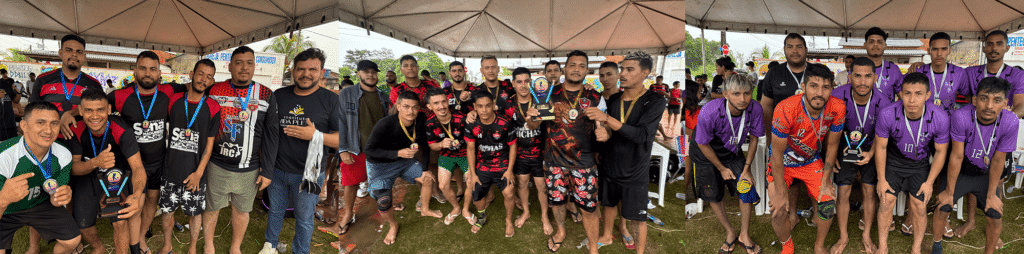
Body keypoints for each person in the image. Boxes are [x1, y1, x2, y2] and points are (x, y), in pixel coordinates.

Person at [258, 48, 340, 254]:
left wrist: (316, 136)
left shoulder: (331, 100)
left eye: (313, 69)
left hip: (310, 172)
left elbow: (342, 140)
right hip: (277, 169)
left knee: (304, 218)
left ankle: (300, 251)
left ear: (322, 72)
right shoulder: (279, 95)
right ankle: (270, 246)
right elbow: (269, 131)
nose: (306, 74)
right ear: (293, 72)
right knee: (275, 210)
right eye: (301, 69)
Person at [202, 46, 280, 254]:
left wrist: (267, 170)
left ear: (255, 66)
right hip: (216, 164)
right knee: (211, 208)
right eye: (238, 63)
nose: (244, 68)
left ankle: (235, 248)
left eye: (249, 63)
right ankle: (209, 245)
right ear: (229, 67)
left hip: (249, 168)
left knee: (242, 210)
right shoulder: (215, 90)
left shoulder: (266, 94)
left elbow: (272, 135)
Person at [589, 52, 666, 254]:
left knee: (638, 217)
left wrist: (606, 119)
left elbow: (641, 135)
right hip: (610, 164)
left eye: (629, 69)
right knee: (608, 204)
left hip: (635, 170)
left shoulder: (655, 100)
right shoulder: (614, 99)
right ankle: (606, 236)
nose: (622, 74)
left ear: (645, 73)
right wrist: (604, 134)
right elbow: (611, 131)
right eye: (622, 69)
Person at [931, 77, 1017, 254]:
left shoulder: (1010, 121)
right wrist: (949, 192)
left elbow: (998, 160)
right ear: (975, 100)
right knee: (943, 207)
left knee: (995, 214)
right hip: (962, 169)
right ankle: (936, 245)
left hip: (985, 173)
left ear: (1006, 103)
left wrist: (992, 194)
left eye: (997, 100)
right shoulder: (961, 116)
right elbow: (956, 155)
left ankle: (989, 252)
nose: (989, 106)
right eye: (984, 98)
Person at [766, 64, 843, 254]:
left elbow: (832, 145)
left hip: (810, 161)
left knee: (827, 204)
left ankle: (819, 246)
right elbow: (776, 154)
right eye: (814, 86)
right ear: (803, 86)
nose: (820, 93)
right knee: (778, 209)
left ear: (832, 88)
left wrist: (826, 181)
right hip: (782, 164)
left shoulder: (838, 107)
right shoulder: (786, 108)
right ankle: (787, 245)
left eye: (826, 87)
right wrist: (781, 191)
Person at [873, 73, 949, 254]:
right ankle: (883, 246)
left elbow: (940, 152)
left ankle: (916, 248)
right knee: (885, 201)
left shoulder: (940, 117)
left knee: (920, 207)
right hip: (894, 162)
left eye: (918, 94)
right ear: (900, 94)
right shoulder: (887, 113)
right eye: (907, 93)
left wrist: (929, 182)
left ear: (928, 95)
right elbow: (881, 148)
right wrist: (881, 179)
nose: (912, 100)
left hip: (919, 164)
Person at [107, 51, 175, 254]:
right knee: (135, 205)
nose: (148, 73)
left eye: (152, 69)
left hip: (157, 162)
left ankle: (142, 239)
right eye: (143, 68)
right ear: (135, 70)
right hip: (130, 165)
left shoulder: (168, 91)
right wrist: (69, 114)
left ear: (159, 73)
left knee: (152, 202)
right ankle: (131, 244)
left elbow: (196, 87)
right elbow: (94, 105)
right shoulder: (119, 96)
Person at [691, 73, 763, 254]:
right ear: (725, 94)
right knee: (713, 194)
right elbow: (702, 143)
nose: (742, 99)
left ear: (752, 92)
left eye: (747, 93)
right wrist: (721, 168)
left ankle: (744, 235)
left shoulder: (755, 108)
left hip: (732, 151)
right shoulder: (710, 111)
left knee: (745, 188)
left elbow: (754, 139)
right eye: (736, 94)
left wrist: (747, 169)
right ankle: (730, 232)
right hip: (704, 151)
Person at [69, 88, 147, 254]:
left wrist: (137, 194)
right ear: (81, 111)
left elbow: (138, 167)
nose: (95, 116)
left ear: (109, 110)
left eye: (100, 110)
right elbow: (74, 168)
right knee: (83, 224)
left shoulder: (121, 129)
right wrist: (95, 162)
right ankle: (99, 248)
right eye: (89, 110)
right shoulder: (76, 128)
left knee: (120, 221)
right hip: (87, 175)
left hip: (116, 175)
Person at [322, 60, 390, 246]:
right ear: (358, 73)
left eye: (374, 72)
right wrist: (342, 149)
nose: (371, 75)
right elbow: (340, 122)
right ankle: (349, 213)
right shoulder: (346, 94)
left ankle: (386, 207)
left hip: (379, 148)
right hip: (354, 148)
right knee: (351, 183)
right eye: (366, 72)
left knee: (383, 179)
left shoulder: (383, 96)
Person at [543, 50, 603, 253]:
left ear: (587, 70)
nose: (576, 69)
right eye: (573, 65)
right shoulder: (549, 93)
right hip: (554, 161)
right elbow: (535, 125)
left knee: (589, 208)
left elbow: (605, 124)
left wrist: (606, 131)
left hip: (584, 164)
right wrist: (531, 117)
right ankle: (561, 231)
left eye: (581, 66)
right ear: (564, 68)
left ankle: (593, 247)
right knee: (557, 202)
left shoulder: (595, 96)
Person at [829, 57, 890, 253]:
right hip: (844, 149)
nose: (862, 82)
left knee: (869, 192)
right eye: (857, 76)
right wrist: (834, 154)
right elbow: (828, 129)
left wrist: (871, 153)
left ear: (875, 77)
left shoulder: (884, 102)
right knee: (843, 191)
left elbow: (884, 136)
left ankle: (866, 235)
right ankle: (843, 236)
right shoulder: (836, 96)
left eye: (867, 76)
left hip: (872, 148)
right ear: (849, 76)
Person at [0, 102, 79, 254]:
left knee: (72, 241)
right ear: (24, 125)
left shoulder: (63, 154)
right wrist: (4, 198)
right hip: (6, 209)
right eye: (40, 123)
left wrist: (60, 198)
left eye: (54, 123)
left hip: (39, 205)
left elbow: (55, 199)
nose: (48, 130)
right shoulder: (4, 156)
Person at [364, 91, 442, 245]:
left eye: (414, 107)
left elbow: (425, 146)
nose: (410, 111)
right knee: (384, 201)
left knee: (427, 178)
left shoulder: (420, 120)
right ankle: (393, 225)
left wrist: (425, 169)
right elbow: (369, 150)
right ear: (398, 106)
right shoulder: (385, 123)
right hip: (379, 166)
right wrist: (397, 153)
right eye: (406, 106)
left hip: (404, 162)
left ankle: (425, 209)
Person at [159, 59, 220, 254]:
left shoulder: (213, 107)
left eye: (209, 77)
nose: (204, 79)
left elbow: (209, 145)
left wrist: (198, 174)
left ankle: (192, 247)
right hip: (170, 170)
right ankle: (167, 244)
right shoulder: (174, 100)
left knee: (195, 214)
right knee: (168, 211)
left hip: (195, 174)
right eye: (201, 74)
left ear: (212, 81)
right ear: (192, 75)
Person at [464, 89, 518, 236]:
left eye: (488, 105)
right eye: (480, 106)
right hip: (483, 166)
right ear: (474, 106)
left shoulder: (505, 122)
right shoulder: (471, 124)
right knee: (476, 195)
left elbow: (513, 145)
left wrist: (509, 170)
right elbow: (470, 149)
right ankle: (482, 217)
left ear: (493, 104)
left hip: (503, 165)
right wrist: (473, 173)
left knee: (509, 192)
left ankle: (508, 220)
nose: (484, 110)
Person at [31, 35, 104, 139]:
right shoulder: (43, 80)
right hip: (47, 140)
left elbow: (99, 111)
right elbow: (32, 112)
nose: (74, 54)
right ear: (61, 53)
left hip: (81, 143)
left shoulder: (94, 84)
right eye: (69, 50)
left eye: (79, 52)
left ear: (84, 56)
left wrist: (71, 113)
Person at [507, 67, 550, 234]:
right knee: (523, 184)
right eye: (519, 81)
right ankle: (526, 211)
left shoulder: (541, 102)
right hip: (520, 155)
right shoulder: (509, 105)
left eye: (526, 81)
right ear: (513, 84)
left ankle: (545, 216)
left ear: (531, 83)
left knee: (542, 187)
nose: (523, 85)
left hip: (540, 153)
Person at [423, 88, 472, 227]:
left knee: (470, 181)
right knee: (443, 185)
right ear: (429, 106)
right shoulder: (429, 123)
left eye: (444, 101)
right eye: (436, 103)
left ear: (448, 101)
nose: (441, 106)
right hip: (446, 156)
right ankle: (456, 208)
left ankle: (466, 209)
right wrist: (440, 144)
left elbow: (471, 142)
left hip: (465, 155)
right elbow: (432, 146)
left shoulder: (462, 117)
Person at [966, 30, 1024, 117]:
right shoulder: (970, 72)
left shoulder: (1018, 75)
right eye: (990, 44)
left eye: (999, 44)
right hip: (974, 123)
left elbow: (1021, 105)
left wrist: (1005, 119)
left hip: (1002, 127)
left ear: (1007, 48)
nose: (994, 48)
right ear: (984, 49)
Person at [863, 27, 904, 102]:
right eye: (871, 42)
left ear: (885, 46)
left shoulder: (893, 69)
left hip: (887, 113)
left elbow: (903, 97)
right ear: (865, 45)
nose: (875, 44)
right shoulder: (856, 68)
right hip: (861, 113)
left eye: (879, 42)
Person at [0, 69, 18, 140]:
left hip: (9, 121)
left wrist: (18, 91)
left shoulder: (7, 83)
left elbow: (15, 99)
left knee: (12, 143)